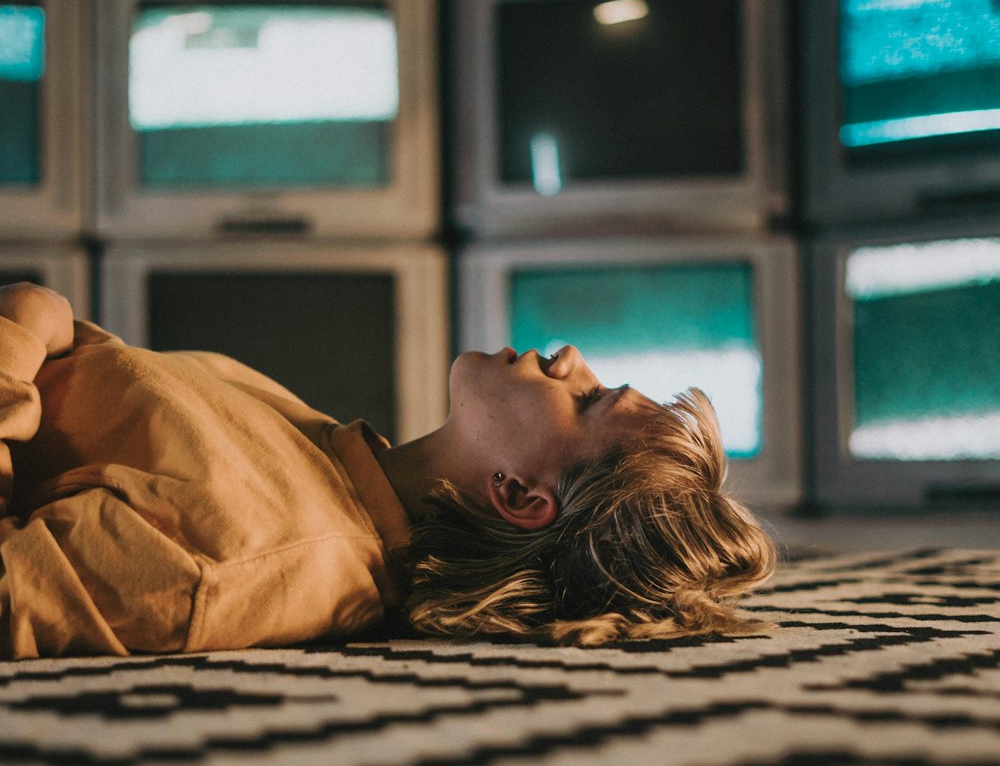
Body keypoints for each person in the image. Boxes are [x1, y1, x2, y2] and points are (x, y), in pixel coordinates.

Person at [0, 280, 776, 658]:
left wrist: (23, 325)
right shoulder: (323, 454)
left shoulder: (238, 551)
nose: (568, 358)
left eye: (589, 399)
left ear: (519, 495)